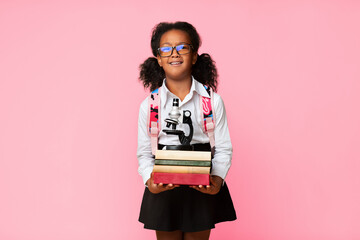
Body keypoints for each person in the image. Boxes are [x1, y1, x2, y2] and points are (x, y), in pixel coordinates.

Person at [137, 21, 237, 240]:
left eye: (183, 47)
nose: (174, 53)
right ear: (159, 60)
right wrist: (149, 180)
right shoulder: (150, 105)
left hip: (201, 181)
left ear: (194, 56)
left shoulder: (212, 101)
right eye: (166, 48)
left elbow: (223, 147)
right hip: (163, 184)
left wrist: (218, 180)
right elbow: (144, 152)